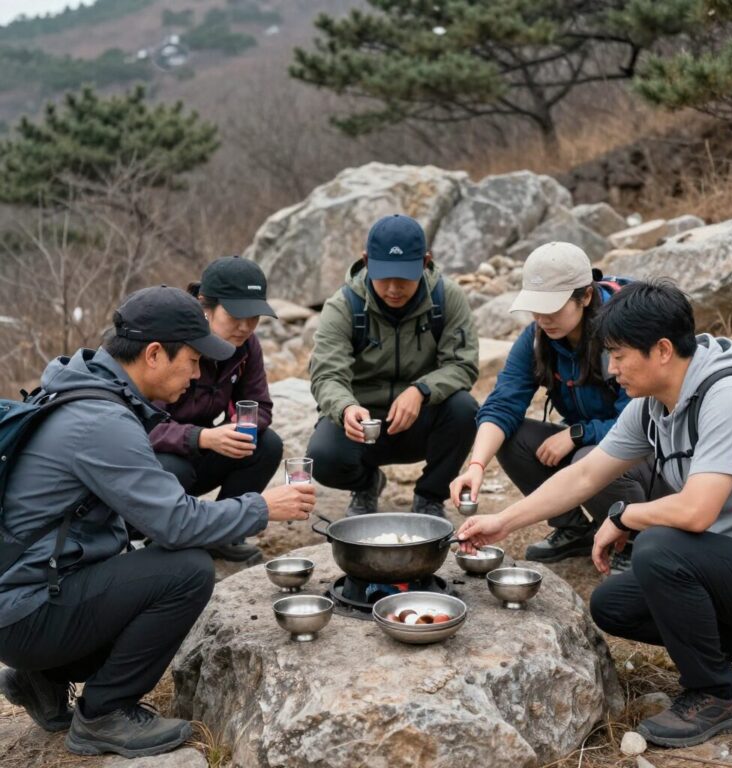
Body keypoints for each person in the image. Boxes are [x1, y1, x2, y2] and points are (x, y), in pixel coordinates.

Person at [0, 286, 315, 758]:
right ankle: (104, 714)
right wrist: (263, 507)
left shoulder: (85, 387)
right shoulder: (101, 420)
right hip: (26, 611)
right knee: (186, 570)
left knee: (148, 577)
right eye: (191, 360)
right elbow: (177, 524)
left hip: (26, 595)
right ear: (153, 354)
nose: (197, 372)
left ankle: (39, 679)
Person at [458, 281, 732, 749]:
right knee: (613, 604)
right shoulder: (653, 406)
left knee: (661, 548)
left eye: (620, 355)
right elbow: (585, 477)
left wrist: (626, 517)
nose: (611, 368)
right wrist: (502, 521)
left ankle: (715, 695)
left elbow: (698, 511)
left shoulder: (731, 398)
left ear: (662, 350)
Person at [450, 242, 652, 569]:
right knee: (512, 437)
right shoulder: (538, 337)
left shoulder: (625, 331)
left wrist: (578, 433)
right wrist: (476, 466)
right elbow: (503, 402)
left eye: (553, 308)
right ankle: (573, 530)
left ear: (585, 296)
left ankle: (630, 538)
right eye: (536, 308)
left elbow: (642, 419)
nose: (543, 319)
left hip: (641, 451)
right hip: (589, 443)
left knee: (591, 454)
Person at [307, 213, 479, 517]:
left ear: (425, 263)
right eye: (384, 275)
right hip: (363, 426)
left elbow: (462, 365)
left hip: (420, 420)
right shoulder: (344, 306)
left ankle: (430, 497)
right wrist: (346, 407)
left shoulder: (446, 299)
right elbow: (327, 376)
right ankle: (366, 483)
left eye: (405, 277)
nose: (393, 288)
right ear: (366, 261)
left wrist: (422, 390)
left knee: (465, 409)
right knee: (323, 458)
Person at [149, 256, 283, 564]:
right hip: (159, 462)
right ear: (204, 307)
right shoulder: (172, 343)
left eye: (254, 316)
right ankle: (163, 538)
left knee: (265, 444)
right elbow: (142, 428)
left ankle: (223, 534)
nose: (246, 326)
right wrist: (203, 437)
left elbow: (260, 404)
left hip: (205, 449)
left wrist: (240, 426)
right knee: (174, 468)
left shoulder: (247, 347)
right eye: (236, 315)